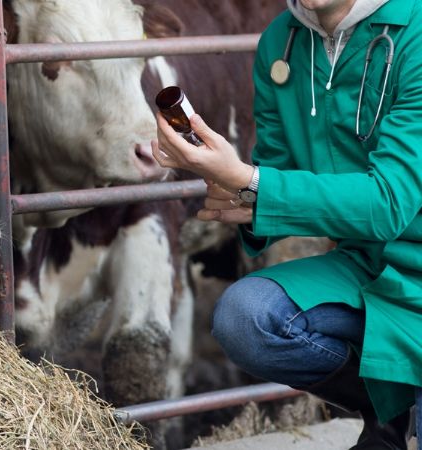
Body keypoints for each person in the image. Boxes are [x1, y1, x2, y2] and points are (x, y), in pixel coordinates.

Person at [154, 0, 422, 449]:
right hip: (367, 263)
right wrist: (241, 193)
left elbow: (388, 203)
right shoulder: (280, 42)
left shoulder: (415, 30)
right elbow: (274, 166)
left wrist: (256, 184)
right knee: (246, 317)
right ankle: (391, 409)